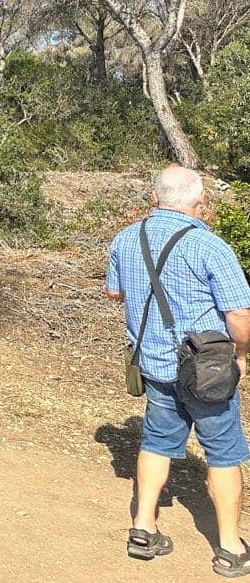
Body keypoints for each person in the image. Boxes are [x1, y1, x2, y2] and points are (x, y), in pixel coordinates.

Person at [105, 165, 250, 575]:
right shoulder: (211, 247)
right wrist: (240, 354)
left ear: (154, 198)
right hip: (208, 370)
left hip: (154, 364)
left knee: (156, 440)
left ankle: (143, 527)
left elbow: (115, 291)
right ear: (200, 203)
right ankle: (229, 548)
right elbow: (240, 313)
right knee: (222, 453)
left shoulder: (126, 238)